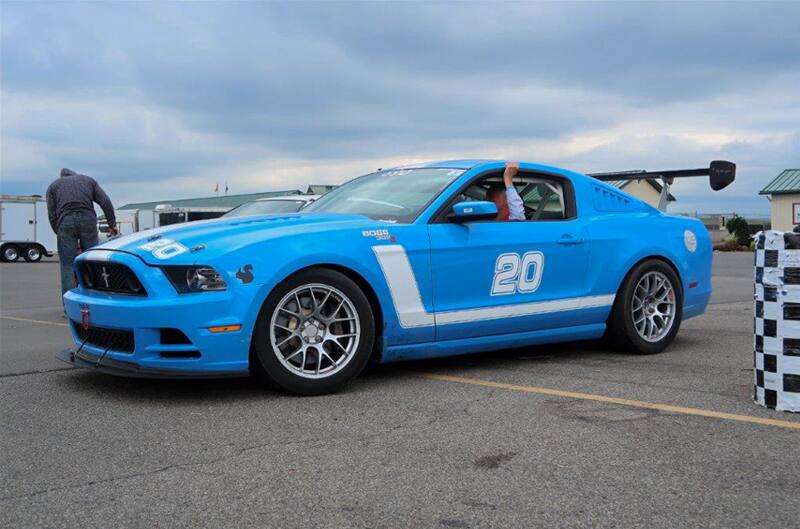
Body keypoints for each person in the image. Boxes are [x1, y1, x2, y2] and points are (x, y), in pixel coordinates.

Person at [46, 168, 118, 294]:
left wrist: (59, 232)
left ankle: (69, 307)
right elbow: (105, 202)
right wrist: (112, 224)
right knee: (92, 261)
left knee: (67, 265)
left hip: (65, 220)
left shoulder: (53, 186)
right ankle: (95, 299)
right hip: (88, 219)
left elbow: (52, 215)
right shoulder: (88, 181)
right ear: (74, 174)